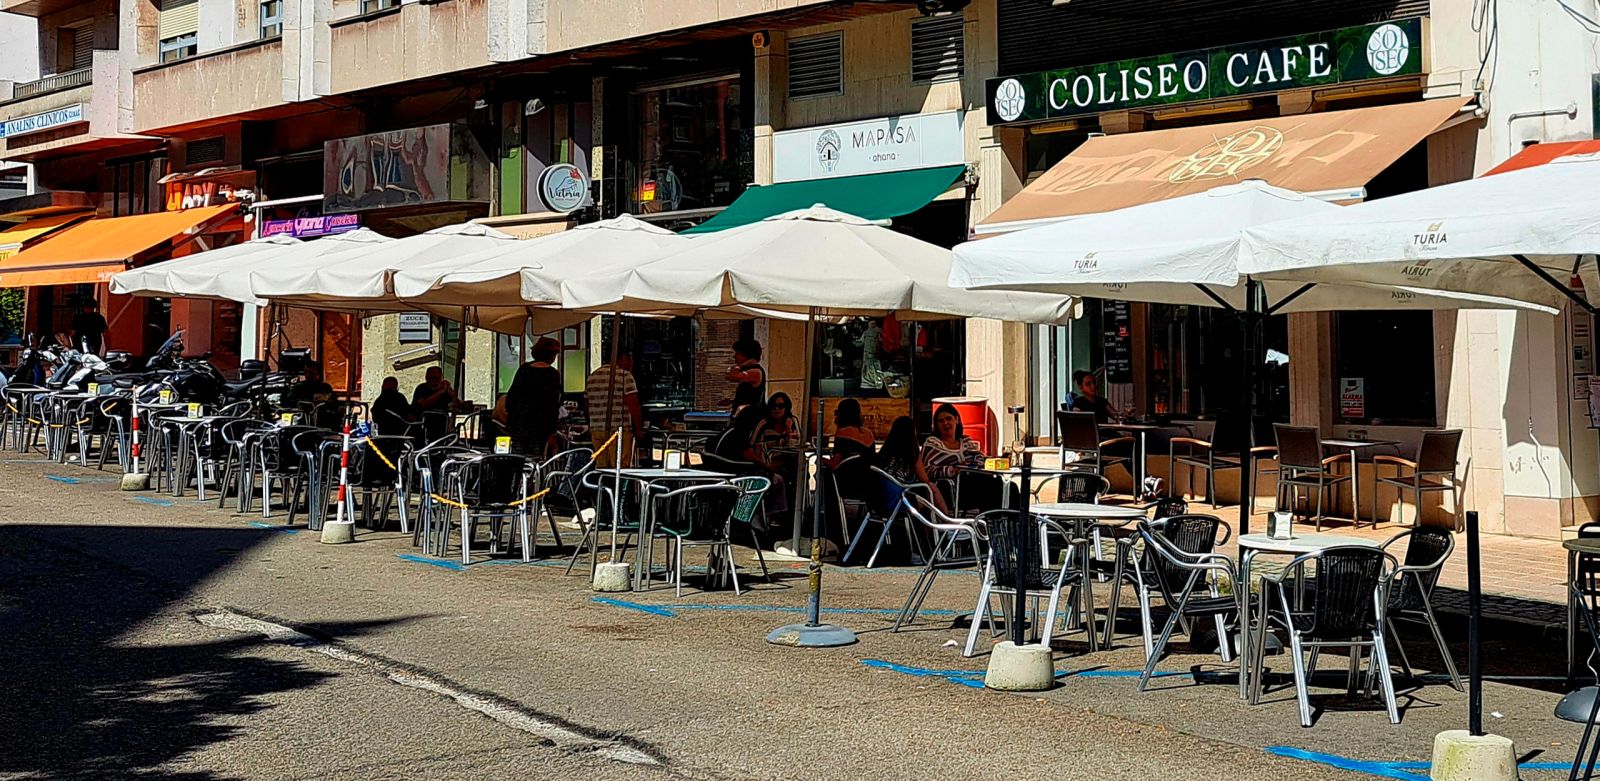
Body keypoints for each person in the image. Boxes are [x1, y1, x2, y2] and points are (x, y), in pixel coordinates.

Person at [921, 402, 997, 513]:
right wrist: (952, 470)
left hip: (973, 481)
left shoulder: (966, 441)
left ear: (956, 420)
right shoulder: (932, 444)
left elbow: (979, 458)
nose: (945, 423)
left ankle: (1011, 523)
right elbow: (927, 469)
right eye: (941, 421)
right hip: (949, 489)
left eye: (948, 419)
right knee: (990, 488)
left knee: (1006, 485)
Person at [876, 415, 948, 516]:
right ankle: (947, 519)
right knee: (930, 489)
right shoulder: (911, 452)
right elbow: (924, 479)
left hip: (879, 499)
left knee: (922, 494)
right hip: (900, 500)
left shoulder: (885, 452)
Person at [506, 337, 564, 457]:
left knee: (517, 460)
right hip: (540, 428)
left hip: (519, 425)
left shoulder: (523, 370)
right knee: (535, 461)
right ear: (552, 355)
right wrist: (552, 431)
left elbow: (511, 398)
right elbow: (553, 406)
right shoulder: (552, 375)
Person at [585, 347, 642, 468]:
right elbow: (633, 404)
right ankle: (618, 487)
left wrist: (591, 424)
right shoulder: (624, 376)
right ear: (622, 358)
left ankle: (603, 486)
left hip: (597, 429)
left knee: (601, 467)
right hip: (619, 430)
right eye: (630, 358)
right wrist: (638, 428)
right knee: (620, 468)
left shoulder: (592, 377)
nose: (632, 363)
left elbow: (586, 403)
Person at [412, 366, 458, 443]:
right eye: (432, 378)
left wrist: (452, 395)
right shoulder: (421, 388)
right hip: (424, 425)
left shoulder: (445, 391)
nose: (435, 381)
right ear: (427, 378)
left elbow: (456, 406)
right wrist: (440, 392)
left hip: (443, 424)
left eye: (438, 378)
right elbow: (424, 404)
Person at [726, 338, 765, 414]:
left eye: (738, 353)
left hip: (751, 417)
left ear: (747, 355)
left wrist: (742, 365)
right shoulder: (747, 371)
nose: (734, 356)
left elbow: (732, 376)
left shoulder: (756, 372)